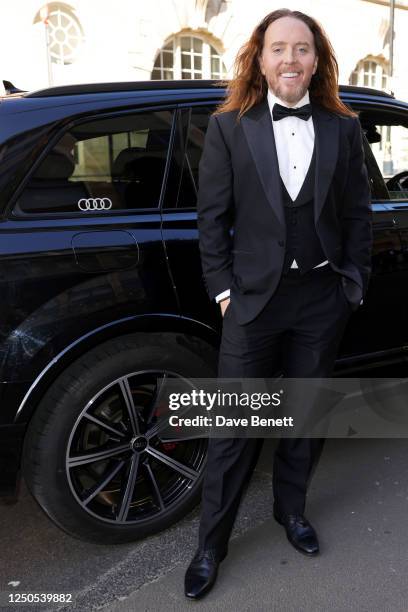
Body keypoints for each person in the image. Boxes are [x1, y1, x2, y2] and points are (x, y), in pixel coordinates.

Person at [185, 8, 373, 600]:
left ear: (317, 61)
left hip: (321, 299)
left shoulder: (344, 127)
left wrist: (354, 282)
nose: (290, 59)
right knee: (233, 429)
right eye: (278, 48)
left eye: (302, 49)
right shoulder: (228, 126)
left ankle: (290, 512)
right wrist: (223, 294)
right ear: (259, 58)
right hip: (253, 305)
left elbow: (357, 215)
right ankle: (210, 545)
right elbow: (211, 220)